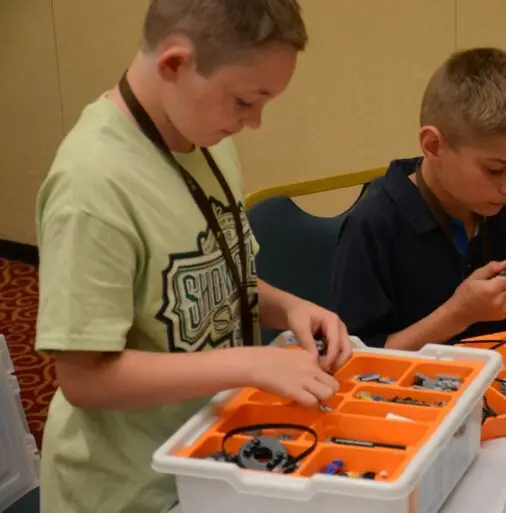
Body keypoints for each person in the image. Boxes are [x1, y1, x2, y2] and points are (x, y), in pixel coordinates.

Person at [34, 2, 354, 512]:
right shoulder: (90, 188)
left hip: (208, 456)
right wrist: (247, 363)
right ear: (175, 64)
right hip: (130, 489)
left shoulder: (201, 136)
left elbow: (208, 277)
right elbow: (83, 378)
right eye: (246, 101)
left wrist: (289, 306)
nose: (254, 123)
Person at [329, 47, 506, 351]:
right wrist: (457, 315)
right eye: (496, 169)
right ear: (433, 145)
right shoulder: (374, 223)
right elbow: (355, 360)